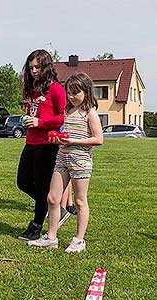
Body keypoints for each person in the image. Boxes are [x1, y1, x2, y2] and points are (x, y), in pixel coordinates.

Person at [28, 72, 103, 253]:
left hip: (80, 161)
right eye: (69, 92)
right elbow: (64, 133)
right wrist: (58, 140)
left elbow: (98, 139)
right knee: (53, 197)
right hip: (62, 157)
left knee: (79, 200)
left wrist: (74, 142)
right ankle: (51, 237)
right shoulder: (66, 111)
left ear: (86, 92)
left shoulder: (90, 113)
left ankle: (79, 240)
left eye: (75, 92)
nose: (70, 96)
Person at [16, 49, 66, 241]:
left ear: (46, 66)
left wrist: (40, 123)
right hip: (31, 141)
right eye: (30, 68)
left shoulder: (56, 89)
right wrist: (27, 119)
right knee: (23, 181)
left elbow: (62, 116)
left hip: (48, 143)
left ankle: (36, 225)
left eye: (37, 67)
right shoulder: (32, 89)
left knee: (42, 185)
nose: (34, 71)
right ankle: (57, 209)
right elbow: (35, 112)